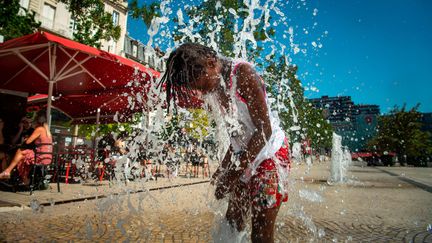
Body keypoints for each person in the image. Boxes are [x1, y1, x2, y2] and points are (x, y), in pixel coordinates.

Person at [159, 43, 291, 242]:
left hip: (270, 153)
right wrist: (222, 170)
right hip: (246, 155)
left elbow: (264, 130)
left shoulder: (243, 74)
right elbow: (237, 138)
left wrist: (230, 176)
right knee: (232, 222)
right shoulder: (215, 86)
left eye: (200, 85)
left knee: (261, 230)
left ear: (211, 63)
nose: (201, 92)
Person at [0, 112, 52, 185]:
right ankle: (24, 180)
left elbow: (28, 142)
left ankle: (8, 172)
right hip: (46, 157)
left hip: (40, 157)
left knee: (20, 151)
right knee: (21, 156)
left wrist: (26, 139)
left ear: (36, 121)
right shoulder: (47, 131)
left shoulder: (40, 129)